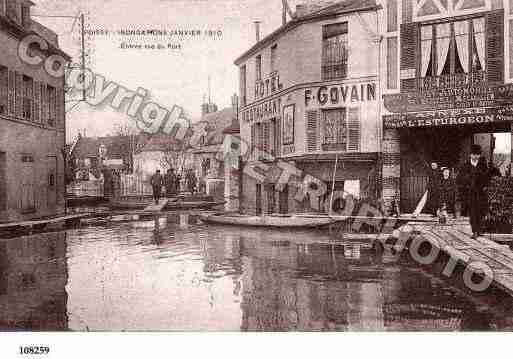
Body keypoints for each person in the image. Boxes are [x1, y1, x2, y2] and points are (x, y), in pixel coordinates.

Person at [457, 145, 489, 238]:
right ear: (470, 155)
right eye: (474, 154)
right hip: (470, 193)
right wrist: (467, 181)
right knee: (473, 212)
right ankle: (475, 231)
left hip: (481, 193)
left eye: (478, 155)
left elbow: (486, 178)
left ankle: (480, 230)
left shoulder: (483, 165)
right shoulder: (465, 165)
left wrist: (484, 184)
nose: (476, 157)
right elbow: (459, 179)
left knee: (481, 211)